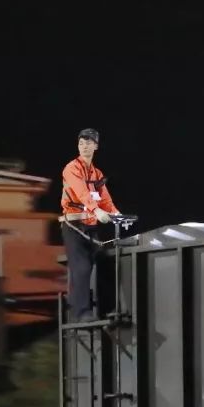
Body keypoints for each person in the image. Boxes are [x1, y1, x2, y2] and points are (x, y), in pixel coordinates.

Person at [60, 128, 121, 321]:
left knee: (105, 262)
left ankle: (107, 310)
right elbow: (82, 193)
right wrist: (96, 210)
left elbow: (106, 200)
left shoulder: (97, 174)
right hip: (73, 226)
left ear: (96, 146)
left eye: (88, 143)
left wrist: (117, 215)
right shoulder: (71, 168)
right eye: (81, 143)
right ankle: (81, 313)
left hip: (91, 227)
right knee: (82, 266)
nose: (84, 146)